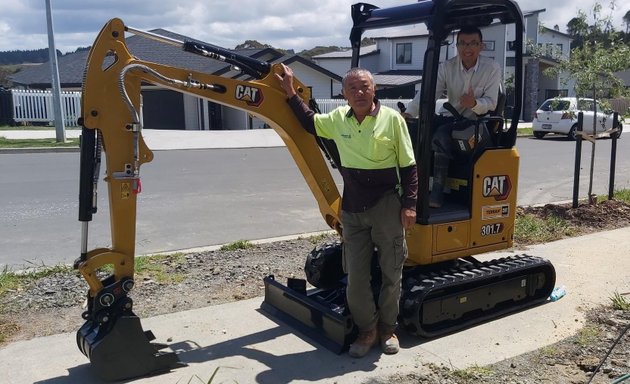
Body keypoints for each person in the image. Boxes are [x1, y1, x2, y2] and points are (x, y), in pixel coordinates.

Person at [275, 64, 418, 358]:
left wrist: (410, 206)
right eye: (352, 88)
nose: (359, 92)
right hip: (353, 208)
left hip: (387, 205)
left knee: (392, 272)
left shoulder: (392, 120)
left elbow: (409, 167)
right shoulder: (338, 119)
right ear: (344, 95)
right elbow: (309, 122)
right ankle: (368, 330)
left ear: (374, 89)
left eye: (364, 86)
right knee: (355, 276)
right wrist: (290, 92)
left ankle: (388, 329)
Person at [406, 25, 501, 207]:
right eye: (463, 43)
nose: (468, 48)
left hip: (479, 124)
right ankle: (414, 187)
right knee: (417, 127)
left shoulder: (491, 68)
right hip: (454, 120)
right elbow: (428, 95)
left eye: (473, 43)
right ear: (456, 46)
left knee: (441, 134)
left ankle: (437, 194)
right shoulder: (447, 67)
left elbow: (491, 102)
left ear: (481, 46)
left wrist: (474, 104)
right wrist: (410, 113)